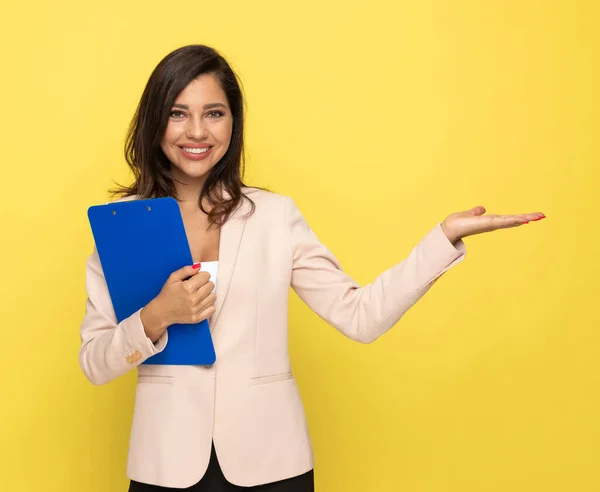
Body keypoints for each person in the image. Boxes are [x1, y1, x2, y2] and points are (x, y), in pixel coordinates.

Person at [78, 44, 545, 491]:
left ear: (233, 123)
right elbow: (95, 363)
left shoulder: (275, 217)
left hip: (272, 464)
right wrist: (157, 314)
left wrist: (443, 238)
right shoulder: (122, 227)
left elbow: (360, 316)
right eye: (178, 113)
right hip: (166, 467)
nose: (197, 131)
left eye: (214, 113)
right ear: (155, 122)